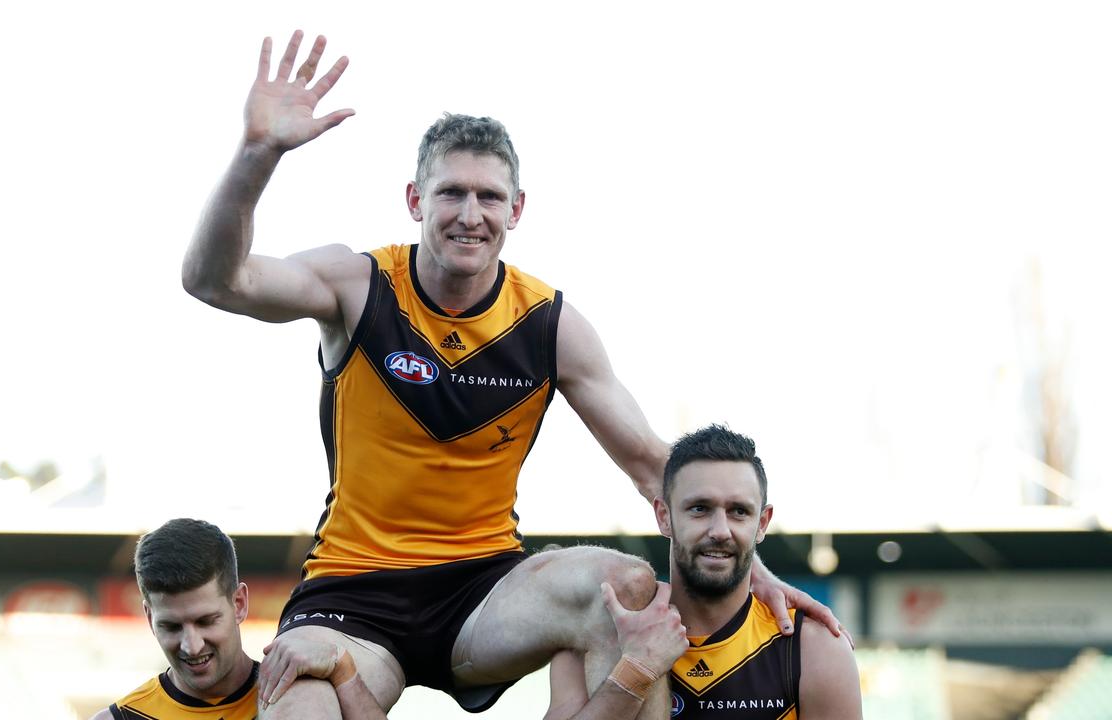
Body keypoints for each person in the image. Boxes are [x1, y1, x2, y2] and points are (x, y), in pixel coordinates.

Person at [182, 30, 843, 719]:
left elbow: (654, 464)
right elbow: (214, 281)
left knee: (627, 587)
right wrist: (258, 153)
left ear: (516, 210)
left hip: (484, 596)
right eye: (452, 194)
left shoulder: (549, 325)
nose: (471, 215)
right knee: (297, 707)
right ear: (415, 199)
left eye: (491, 198)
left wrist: (756, 565)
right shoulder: (359, 285)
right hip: (354, 590)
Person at [546, 425, 862, 718]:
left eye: (739, 511)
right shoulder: (598, 633)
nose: (720, 530)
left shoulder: (814, 650)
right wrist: (637, 670)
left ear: (762, 523)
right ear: (664, 516)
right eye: (700, 508)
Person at [91, 518, 387, 720]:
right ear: (148, 616)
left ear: (239, 603)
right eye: (171, 626)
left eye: (206, 621)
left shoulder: (304, 697)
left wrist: (343, 670)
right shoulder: (123, 718)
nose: (191, 646)